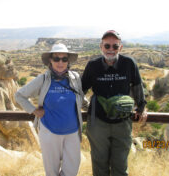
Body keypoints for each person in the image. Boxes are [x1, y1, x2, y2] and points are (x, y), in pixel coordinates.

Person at [15, 43, 88, 176]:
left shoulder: (75, 78)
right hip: (49, 132)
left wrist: (92, 106)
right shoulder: (43, 79)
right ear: (50, 60)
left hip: (72, 132)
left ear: (68, 61)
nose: (60, 62)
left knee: (71, 171)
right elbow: (19, 95)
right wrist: (33, 110)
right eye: (56, 59)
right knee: (52, 172)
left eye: (64, 59)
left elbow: (80, 98)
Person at [81, 30, 147, 176]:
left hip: (122, 122)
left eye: (115, 46)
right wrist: (86, 106)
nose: (111, 50)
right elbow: (80, 90)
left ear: (120, 48)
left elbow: (137, 86)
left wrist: (141, 108)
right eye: (107, 46)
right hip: (98, 123)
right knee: (99, 165)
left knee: (121, 165)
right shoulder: (93, 65)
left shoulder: (129, 63)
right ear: (101, 47)